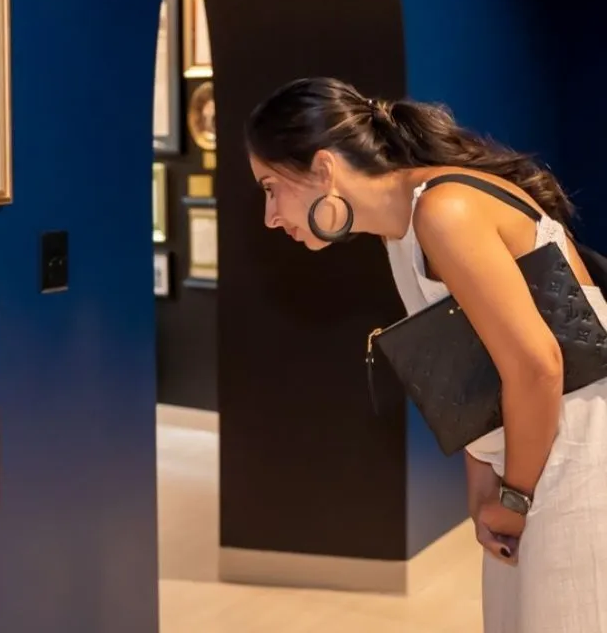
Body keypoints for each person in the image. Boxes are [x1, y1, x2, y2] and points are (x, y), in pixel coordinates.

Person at [245, 76, 607, 632]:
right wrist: (485, 487)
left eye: (271, 187)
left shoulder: (444, 211)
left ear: (323, 168)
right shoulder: (403, 230)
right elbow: (476, 370)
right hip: (538, 454)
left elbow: (538, 367)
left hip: (576, 453)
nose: (270, 215)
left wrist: (514, 498)